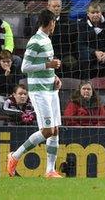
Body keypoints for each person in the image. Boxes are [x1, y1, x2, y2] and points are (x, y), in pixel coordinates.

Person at [7, 10, 64, 178]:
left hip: (51, 89)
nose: (55, 25)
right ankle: (14, 156)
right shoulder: (35, 41)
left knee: (55, 130)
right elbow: (25, 67)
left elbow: (45, 64)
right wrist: (48, 65)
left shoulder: (47, 40)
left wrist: (55, 76)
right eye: (54, 22)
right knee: (47, 131)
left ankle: (50, 170)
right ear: (50, 22)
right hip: (39, 91)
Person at [77, 2, 105, 80]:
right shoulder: (82, 24)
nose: (95, 15)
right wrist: (94, 52)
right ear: (88, 14)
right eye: (92, 13)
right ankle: (85, 83)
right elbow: (81, 45)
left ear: (101, 13)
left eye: (97, 12)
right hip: (90, 53)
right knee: (84, 58)